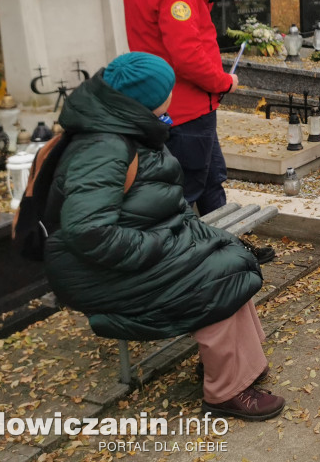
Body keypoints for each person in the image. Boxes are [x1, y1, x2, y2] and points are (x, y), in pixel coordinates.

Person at [43, 53, 284, 420]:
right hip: (99, 273)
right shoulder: (104, 147)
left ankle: (239, 365)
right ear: (150, 98)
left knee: (232, 255)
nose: (173, 94)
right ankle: (225, 392)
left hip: (134, 250)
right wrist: (160, 246)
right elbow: (88, 231)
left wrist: (185, 238)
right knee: (214, 279)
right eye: (167, 88)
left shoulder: (128, 126)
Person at [123, 0, 276, 263]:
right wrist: (225, 82)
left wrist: (202, 0)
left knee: (209, 180)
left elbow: (166, 38)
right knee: (189, 187)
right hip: (188, 108)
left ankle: (230, 247)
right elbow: (187, 56)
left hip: (169, 104)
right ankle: (189, 268)